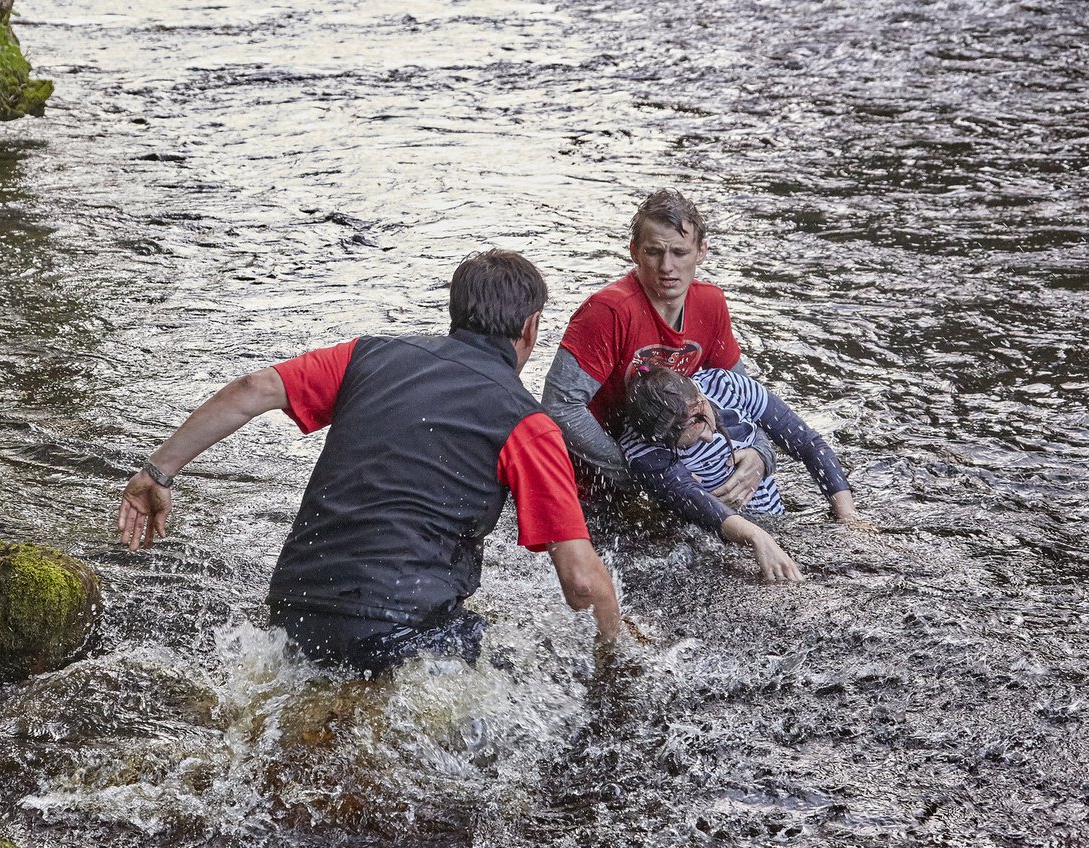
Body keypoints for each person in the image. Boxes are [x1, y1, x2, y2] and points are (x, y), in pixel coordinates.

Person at [117, 249, 621, 676]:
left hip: (296, 603)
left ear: (455, 312)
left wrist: (157, 472)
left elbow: (255, 389)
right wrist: (617, 654)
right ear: (531, 327)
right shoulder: (528, 423)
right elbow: (580, 580)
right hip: (401, 628)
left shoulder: (369, 356)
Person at [542, 189, 773, 506]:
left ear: (701, 250)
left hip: (669, 468)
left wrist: (761, 454)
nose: (667, 266)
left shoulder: (710, 304)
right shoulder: (607, 311)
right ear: (634, 251)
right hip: (590, 482)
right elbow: (560, 406)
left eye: (679, 252)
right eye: (654, 252)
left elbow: (742, 397)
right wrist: (644, 475)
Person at [621, 365, 859, 582]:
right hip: (712, 554)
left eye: (702, 421)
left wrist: (848, 519)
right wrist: (758, 538)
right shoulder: (641, 449)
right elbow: (688, 495)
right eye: (687, 445)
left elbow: (808, 444)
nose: (707, 437)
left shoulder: (727, 385)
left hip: (779, 524)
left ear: (698, 396)